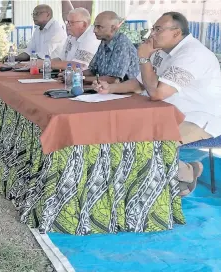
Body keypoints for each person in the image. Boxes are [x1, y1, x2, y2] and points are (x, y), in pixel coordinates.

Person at [94, 12, 221, 196]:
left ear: (176, 33)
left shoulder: (193, 54)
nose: (152, 33)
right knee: (123, 132)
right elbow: (140, 83)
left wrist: (144, 58)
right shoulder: (160, 51)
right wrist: (110, 89)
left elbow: (157, 93)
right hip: (166, 113)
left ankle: (185, 172)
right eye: (153, 28)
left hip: (199, 118)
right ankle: (182, 173)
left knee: (146, 143)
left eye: (158, 29)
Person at [85, 11, 140, 84]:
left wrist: (81, 79)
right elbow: (92, 70)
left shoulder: (122, 44)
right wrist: (73, 74)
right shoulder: (104, 41)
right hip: (107, 91)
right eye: (94, 26)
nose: (94, 30)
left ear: (113, 28)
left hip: (126, 93)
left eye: (99, 27)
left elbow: (112, 80)